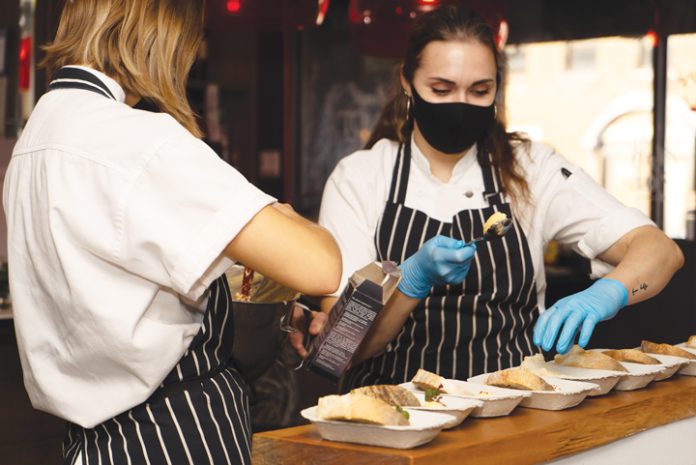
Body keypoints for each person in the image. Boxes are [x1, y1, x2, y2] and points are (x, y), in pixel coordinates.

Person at [3, 1, 341, 464]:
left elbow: (116, 286)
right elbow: (320, 265)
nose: (194, 53)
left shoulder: (40, 130)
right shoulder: (139, 141)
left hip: (95, 444)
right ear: (165, 32)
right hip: (174, 434)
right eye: (193, 37)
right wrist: (281, 215)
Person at [318, 5, 684, 390]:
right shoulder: (360, 177)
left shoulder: (531, 168)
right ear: (407, 82)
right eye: (441, 89)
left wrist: (607, 293)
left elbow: (661, 251)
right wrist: (410, 281)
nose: (461, 103)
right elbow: (340, 347)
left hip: (513, 411)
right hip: (387, 416)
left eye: (480, 90)